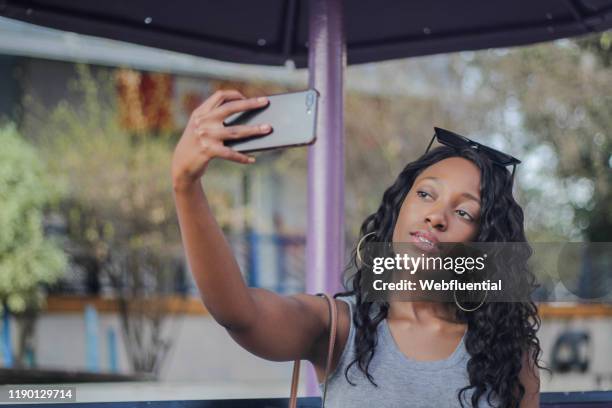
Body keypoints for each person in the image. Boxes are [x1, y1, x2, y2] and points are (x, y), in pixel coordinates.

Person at [171, 89, 544, 408]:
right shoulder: (339, 327)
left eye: (463, 212)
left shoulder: (509, 355)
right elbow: (239, 312)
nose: (436, 216)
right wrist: (186, 185)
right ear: (399, 208)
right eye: (426, 193)